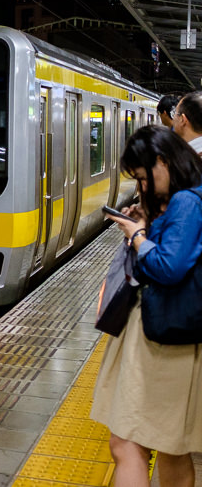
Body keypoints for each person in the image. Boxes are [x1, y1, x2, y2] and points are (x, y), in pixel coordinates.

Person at [92, 125, 202, 487]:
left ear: (162, 161)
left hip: (163, 341)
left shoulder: (188, 200)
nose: (143, 187)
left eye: (143, 177)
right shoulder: (189, 196)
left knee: (127, 443)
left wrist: (136, 235)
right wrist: (147, 223)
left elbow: (168, 267)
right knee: (171, 445)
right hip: (171, 339)